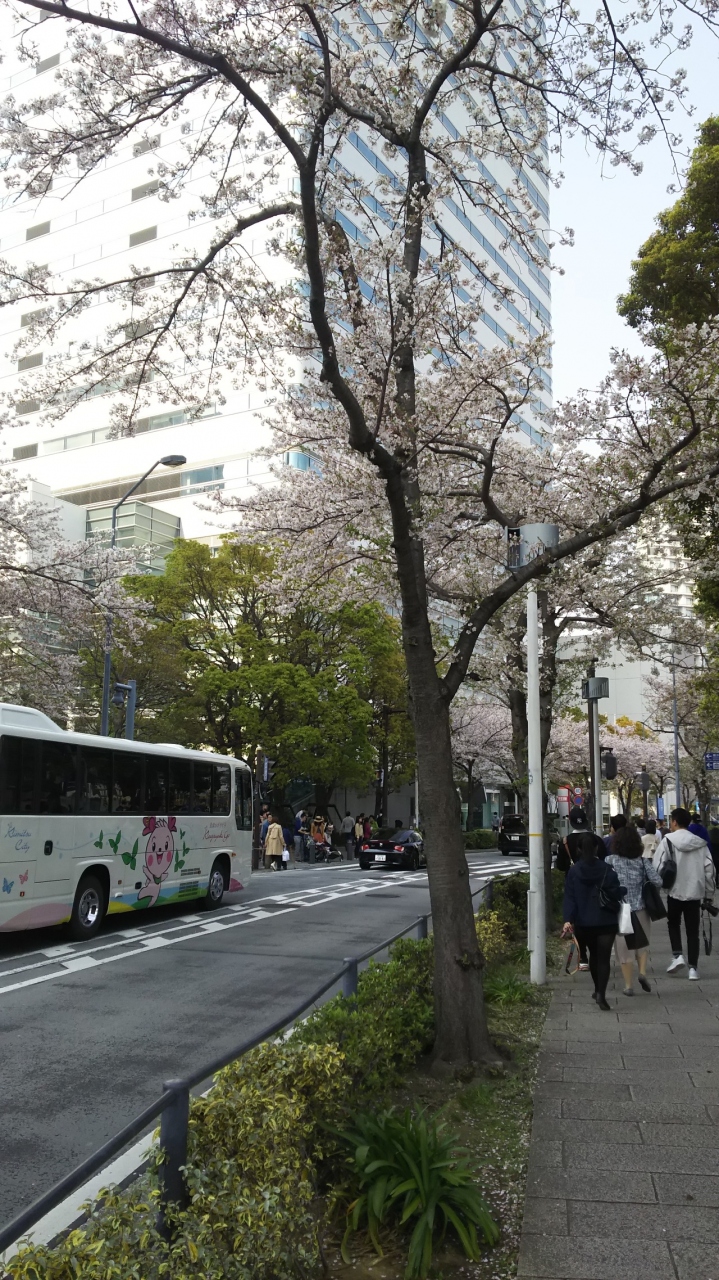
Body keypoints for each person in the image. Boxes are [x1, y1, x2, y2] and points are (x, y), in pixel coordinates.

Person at [561, 831, 625, 1010]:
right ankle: (601, 994)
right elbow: (616, 891)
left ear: (579, 849)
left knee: (593, 957)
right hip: (606, 920)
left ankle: (597, 989)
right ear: (597, 848)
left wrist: (568, 919)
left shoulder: (574, 871)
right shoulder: (607, 868)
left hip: (584, 921)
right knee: (603, 959)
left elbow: (570, 897)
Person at [655, 807, 716, 979]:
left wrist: (658, 887)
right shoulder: (700, 843)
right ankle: (693, 968)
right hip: (695, 892)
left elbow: (658, 866)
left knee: (673, 923)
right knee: (692, 930)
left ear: (674, 822)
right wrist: (709, 895)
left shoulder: (667, 841)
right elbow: (709, 870)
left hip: (674, 890)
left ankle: (677, 955)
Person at [607, 823, 663, 995]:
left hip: (620, 910)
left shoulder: (610, 861)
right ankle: (643, 973)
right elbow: (658, 881)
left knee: (623, 948)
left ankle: (628, 986)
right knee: (642, 942)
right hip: (641, 908)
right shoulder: (642, 862)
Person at [555, 807, 606, 971]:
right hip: (597, 884)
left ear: (570, 822)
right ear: (586, 820)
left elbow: (560, 865)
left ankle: (583, 957)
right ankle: (596, 954)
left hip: (574, 884)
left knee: (577, 921)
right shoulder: (597, 839)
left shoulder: (565, 841)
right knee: (596, 918)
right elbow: (605, 860)